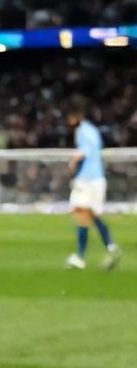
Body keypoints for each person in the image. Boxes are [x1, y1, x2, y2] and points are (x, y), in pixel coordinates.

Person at [66, 108, 118, 270]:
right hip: (98, 179)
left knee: (81, 213)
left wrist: (72, 162)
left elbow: (84, 152)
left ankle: (80, 257)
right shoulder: (93, 130)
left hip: (87, 179)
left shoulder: (82, 131)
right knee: (92, 215)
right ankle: (111, 247)